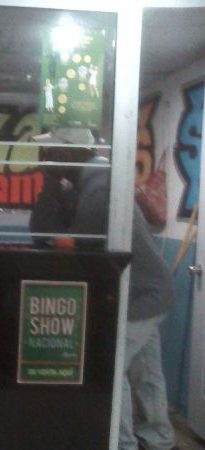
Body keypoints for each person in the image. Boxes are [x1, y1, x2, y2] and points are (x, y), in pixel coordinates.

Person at [29, 128, 178, 450]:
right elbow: (41, 231)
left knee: (112, 367)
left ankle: (123, 444)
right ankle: (159, 439)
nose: (45, 158)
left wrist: (51, 184)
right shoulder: (88, 180)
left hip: (141, 295)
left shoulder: (99, 186)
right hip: (146, 290)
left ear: (70, 152)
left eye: (51, 152)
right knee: (146, 373)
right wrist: (51, 184)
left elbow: (69, 242)